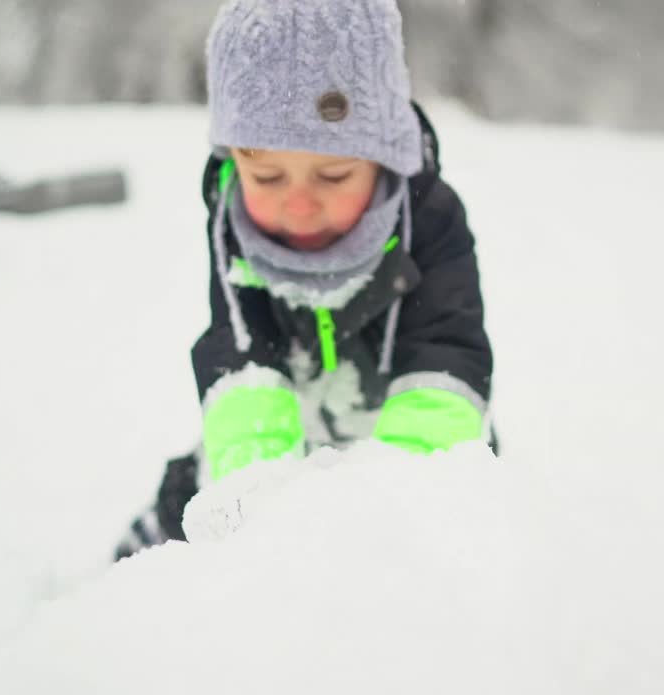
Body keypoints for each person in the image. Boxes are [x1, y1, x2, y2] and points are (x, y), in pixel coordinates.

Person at [116, 0, 494, 559]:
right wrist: (260, 488)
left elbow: (447, 356)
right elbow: (240, 354)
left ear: (386, 157)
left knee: (467, 500)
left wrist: (400, 494)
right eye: (266, 176)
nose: (298, 205)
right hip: (292, 415)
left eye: (334, 174)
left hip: (406, 422)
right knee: (200, 486)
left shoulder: (429, 217)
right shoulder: (233, 219)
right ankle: (149, 555)